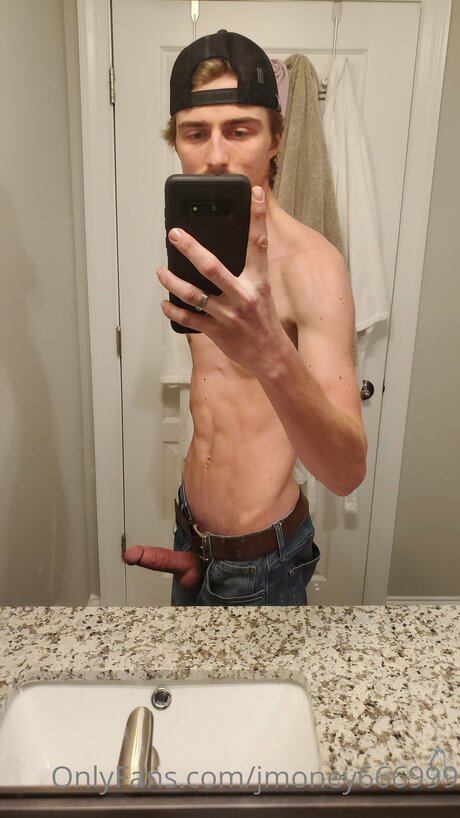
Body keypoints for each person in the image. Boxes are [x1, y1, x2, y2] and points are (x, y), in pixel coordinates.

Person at [123, 30, 367, 605]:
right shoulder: (193, 248)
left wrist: (268, 351)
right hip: (190, 536)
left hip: (261, 565)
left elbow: (346, 472)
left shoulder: (313, 266)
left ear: (276, 138)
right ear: (176, 141)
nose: (215, 156)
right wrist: (195, 540)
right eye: (195, 133)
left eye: (239, 131)